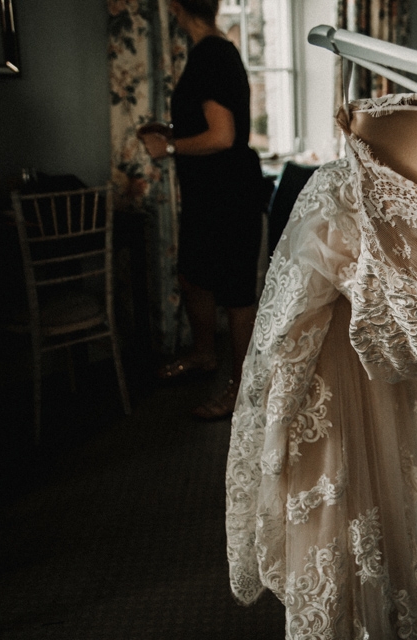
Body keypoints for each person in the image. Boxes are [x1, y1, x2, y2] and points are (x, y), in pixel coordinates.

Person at [140, 0, 263, 420]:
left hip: (227, 193)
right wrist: (175, 131)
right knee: (193, 276)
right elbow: (212, 125)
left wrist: (169, 146)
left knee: (235, 292)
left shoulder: (211, 54)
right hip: (210, 193)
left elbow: (224, 136)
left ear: (175, 7)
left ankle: (241, 388)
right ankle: (204, 353)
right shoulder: (212, 52)